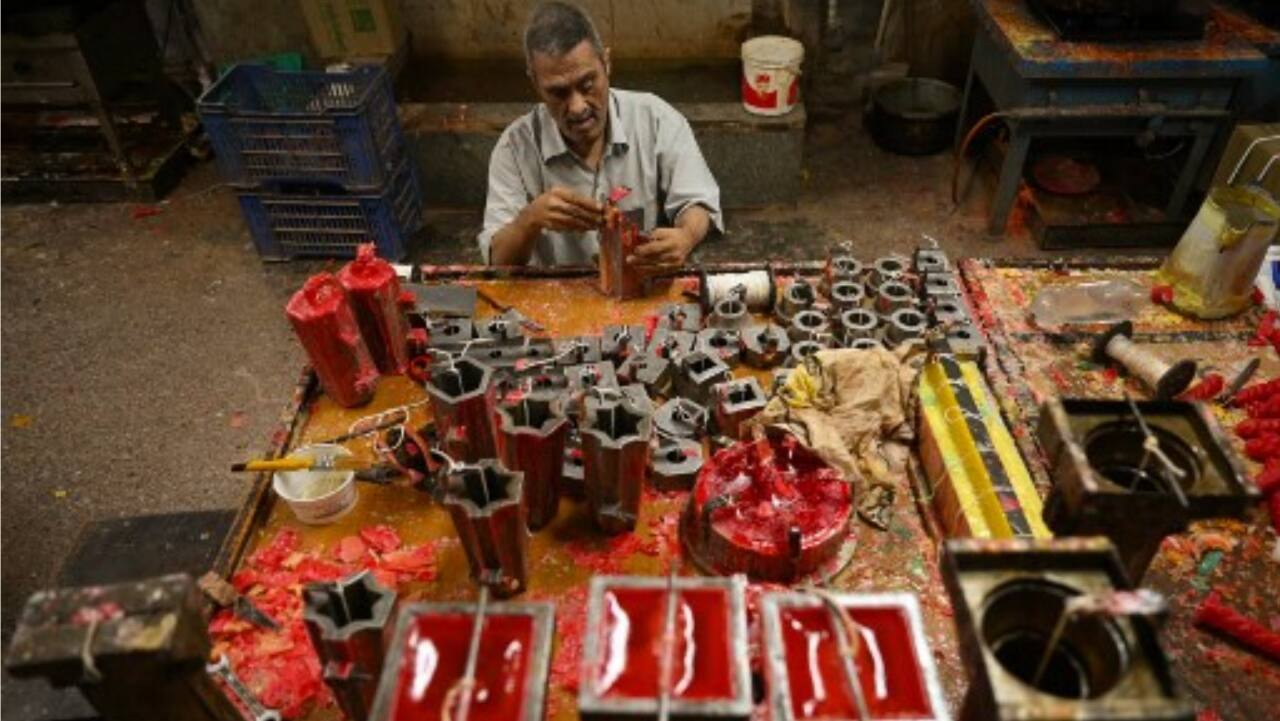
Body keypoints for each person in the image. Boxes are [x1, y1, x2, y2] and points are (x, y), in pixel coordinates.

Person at [479, 1, 722, 268]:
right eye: (558, 92)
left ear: (606, 62)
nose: (577, 106)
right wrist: (530, 220)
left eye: (587, 84)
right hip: (555, 301)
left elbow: (697, 202)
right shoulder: (514, 148)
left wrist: (686, 236)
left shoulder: (656, 119)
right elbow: (497, 262)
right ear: (535, 82)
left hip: (637, 290)